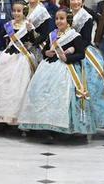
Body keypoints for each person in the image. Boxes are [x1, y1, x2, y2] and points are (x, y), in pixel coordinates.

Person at [18, 8, 95, 137]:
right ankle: (43, 124)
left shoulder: (74, 36)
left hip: (65, 70)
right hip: (47, 68)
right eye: (57, 18)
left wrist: (68, 58)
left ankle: (60, 127)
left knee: (60, 96)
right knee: (42, 93)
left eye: (62, 18)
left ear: (68, 20)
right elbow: (46, 49)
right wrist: (45, 52)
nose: (59, 21)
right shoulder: (52, 34)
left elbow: (81, 54)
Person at [67, 0, 104, 130]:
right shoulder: (65, 14)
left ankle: (89, 120)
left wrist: (73, 49)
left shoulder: (86, 17)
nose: (75, 2)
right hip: (65, 52)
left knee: (91, 87)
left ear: (83, 1)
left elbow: (85, 40)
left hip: (83, 52)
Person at [0, 1, 38, 126]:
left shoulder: (28, 25)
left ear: (24, 12)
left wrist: (31, 31)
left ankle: (16, 119)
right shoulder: (8, 25)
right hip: (6, 57)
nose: (16, 13)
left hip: (22, 58)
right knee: (0, 86)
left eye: (19, 11)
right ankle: (0, 118)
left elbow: (34, 41)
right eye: (14, 11)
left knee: (18, 87)